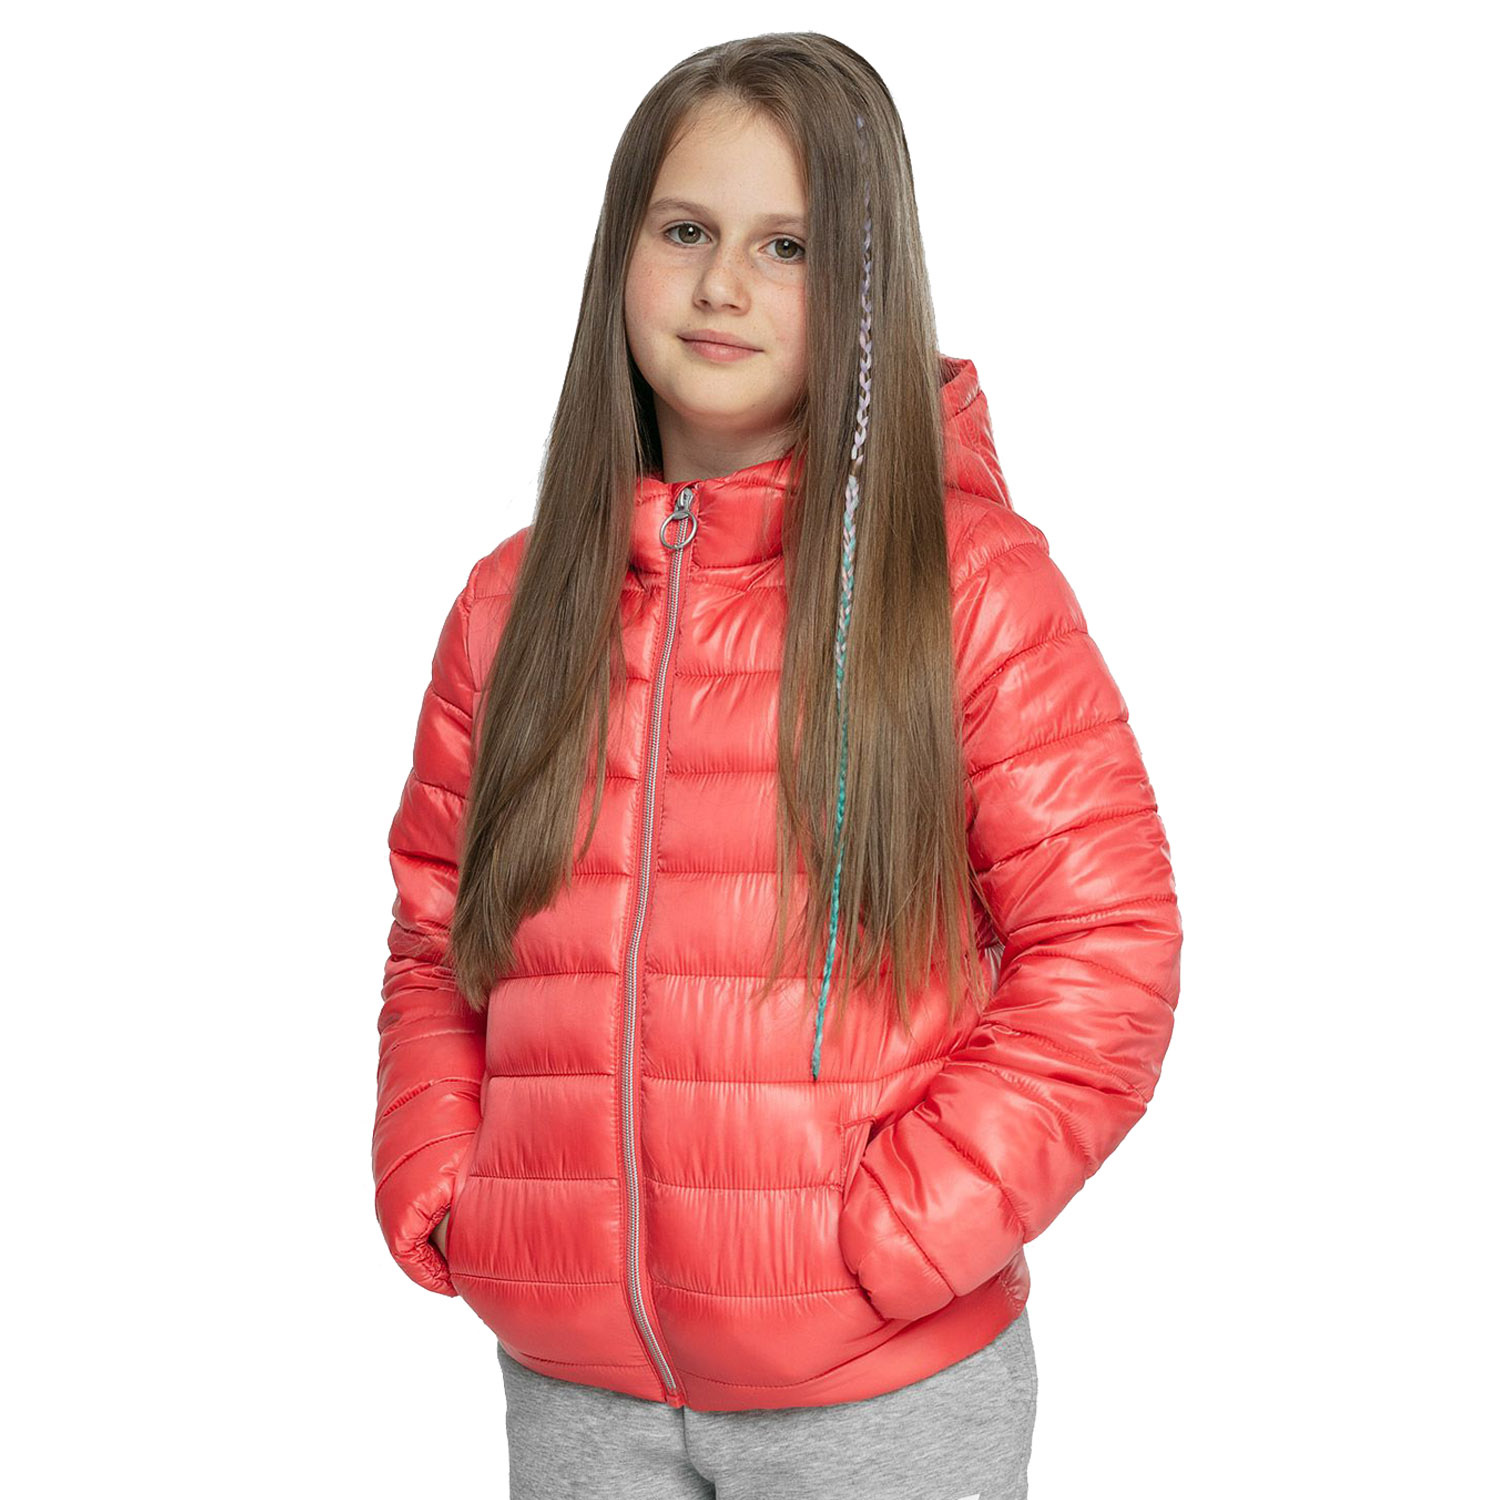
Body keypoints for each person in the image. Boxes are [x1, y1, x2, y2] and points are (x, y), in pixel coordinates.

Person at [372, 32, 1182, 1500]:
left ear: (868, 281)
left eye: (788, 246)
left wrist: (905, 1232)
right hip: (577, 1387)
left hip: (876, 1395)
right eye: (684, 230)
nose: (722, 286)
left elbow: (1106, 947)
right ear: (621, 254)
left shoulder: (967, 591)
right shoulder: (513, 604)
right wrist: (444, 1175)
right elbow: (439, 931)